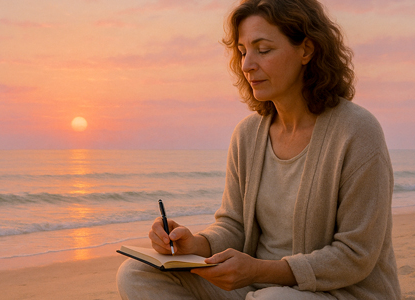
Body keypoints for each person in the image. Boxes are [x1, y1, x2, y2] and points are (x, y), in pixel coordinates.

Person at [117, 0, 400, 298]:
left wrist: (259, 271)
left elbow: (355, 255)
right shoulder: (248, 135)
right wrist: (194, 244)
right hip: (256, 289)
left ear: (307, 50)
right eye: (242, 52)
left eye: (263, 50)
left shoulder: (357, 131)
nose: (247, 64)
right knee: (136, 273)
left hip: (340, 292)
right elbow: (233, 226)